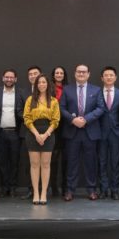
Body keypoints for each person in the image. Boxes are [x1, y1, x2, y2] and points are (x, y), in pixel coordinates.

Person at [60, 64, 104, 201]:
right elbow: (61, 108)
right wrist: (73, 120)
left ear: (88, 74)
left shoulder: (96, 90)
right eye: (79, 72)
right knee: (71, 162)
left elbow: (100, 108)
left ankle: (92, 190)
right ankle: (70, 190)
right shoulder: (67, 89)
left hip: (89, 131)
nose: (81, 74)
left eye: (84, 72)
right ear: (75, 74)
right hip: (72, 131)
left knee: (91, 162)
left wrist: (86, 119)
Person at [23, 74, 60, 205]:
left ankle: (44, 193)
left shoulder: (53, 101)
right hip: (33, 132)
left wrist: (45, 135)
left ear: (48, 84)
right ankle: (36, 193)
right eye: (39, 83)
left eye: (44, 82)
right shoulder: (30, 100)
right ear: (36, 85)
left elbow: (56, 120)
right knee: (34, 165)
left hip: (48, 133)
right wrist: (36, 134)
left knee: (45, 164)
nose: (41, 85)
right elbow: (27, 118)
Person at [0, 69, 25, 197]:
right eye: (7, 77)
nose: (9, 79)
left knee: (14, 162)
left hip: (15, 132)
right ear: (3, 78)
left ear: (15, 79)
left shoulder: (21, 93)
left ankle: (12, 187)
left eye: (11, 77)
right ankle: (4, 187)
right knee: (1, 162)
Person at [98, 66, 119, 200]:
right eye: (106, 75)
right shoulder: (97, 93)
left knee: (115, 163)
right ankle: (103, 189)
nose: (108, 77)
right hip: (100, 132)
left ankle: (115, 190)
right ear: (102, 78)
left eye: (111, 75)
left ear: (115, 77)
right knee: (101, 162)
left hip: (116, 133)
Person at [19, 65, 42, 200]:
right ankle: (31, 190)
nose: (33, 76)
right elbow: (19, 111)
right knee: (30, 163)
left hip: (44, 132)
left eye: (35, 73)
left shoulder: (47, 90)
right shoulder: (23, 92)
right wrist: (31, 121)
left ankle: (42, 190)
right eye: (30, 74)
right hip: (27, 131)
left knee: (44, 163)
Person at [51, 66, 68, 196]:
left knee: (66, 159)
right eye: (57, 73)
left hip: (67, 125)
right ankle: (54, 187)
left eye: (61, 73)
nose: (59, 75)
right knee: (53, 159)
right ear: (53, 75)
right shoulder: (48, 88)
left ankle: (65, 186)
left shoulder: (69, 88)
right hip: (53, 126)